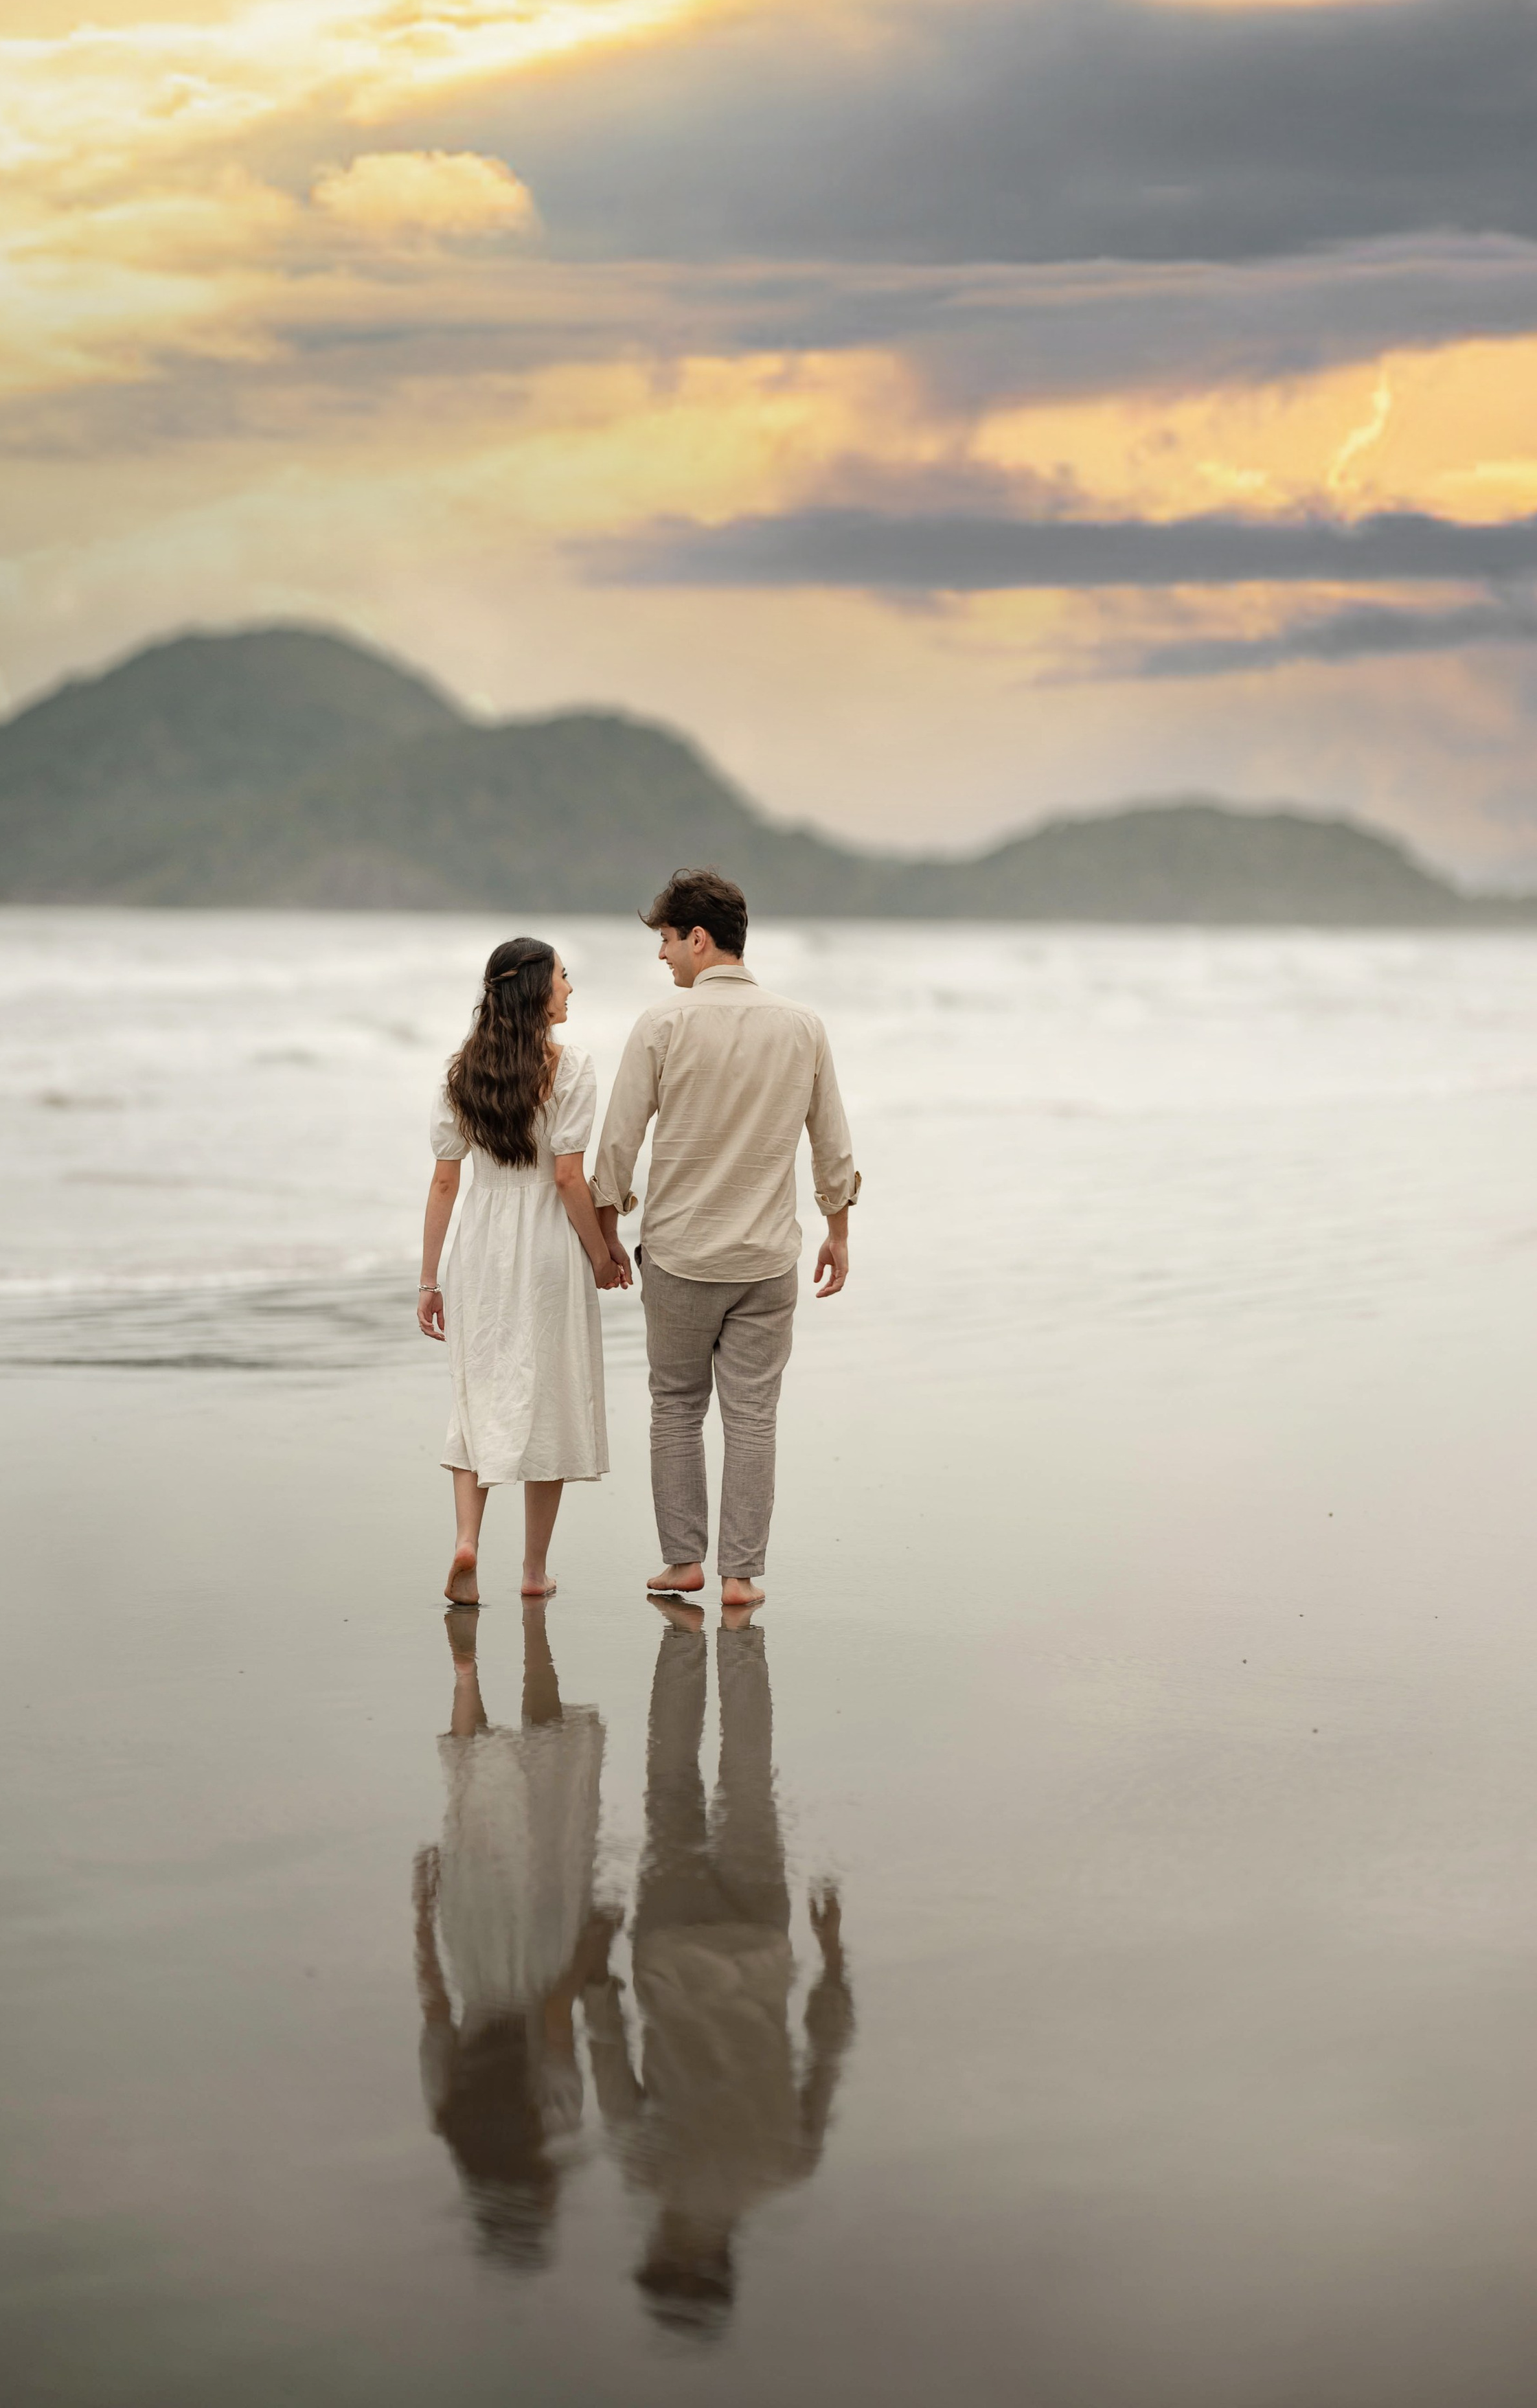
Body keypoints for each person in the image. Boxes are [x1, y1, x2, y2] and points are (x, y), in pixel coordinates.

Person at [580, 1601, 854, 2336]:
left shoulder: (788, 2167)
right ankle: (689, 1644)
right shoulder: (651, 2172)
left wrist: (832, 1951)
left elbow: (828, 2049)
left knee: (747, 1773)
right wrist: (594, 1963)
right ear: (675, 2254)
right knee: (669, 1781)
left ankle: (726, 1644)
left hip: (760, 1940)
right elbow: (607, 2049)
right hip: (668, 1945)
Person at [589, 869, 860, 1608]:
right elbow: (831, 1142)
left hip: (679, 1255)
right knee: (752, 1415)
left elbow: (617, 1141)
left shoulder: (662, 1026)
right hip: (767, 1258)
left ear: (699, 939)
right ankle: (740, 1576)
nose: (662, 957)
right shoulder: (802, 1025)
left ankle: (683, 1563)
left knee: (675, 1404)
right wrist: (837, 1229)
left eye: (668, 941)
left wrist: (605, 1232)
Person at [420, 937, 628, 1606]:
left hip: (480, 1243)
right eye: (564, 979)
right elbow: (568, 1176)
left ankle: (466, 1540)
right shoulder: (569, 1069)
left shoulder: (460, 1073)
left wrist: (429, 1280)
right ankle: (533, 1570)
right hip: (545, 1243)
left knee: (477, 1388)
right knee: (548, 1398)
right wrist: (600, 1254)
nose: (570, 990)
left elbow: (445, 1184)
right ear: (539, 991)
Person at [413, 1603, 613, 2273]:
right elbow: (434, 2006)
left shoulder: (550, 2120)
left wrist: (593, 1941)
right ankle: (466, 1676)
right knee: (472, 1812)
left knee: (538, 1816)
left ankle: (513, 1686)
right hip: (469, 1950)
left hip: (536, 1957)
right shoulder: (444, 2110)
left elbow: (557, 2008)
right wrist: (422, 1910)